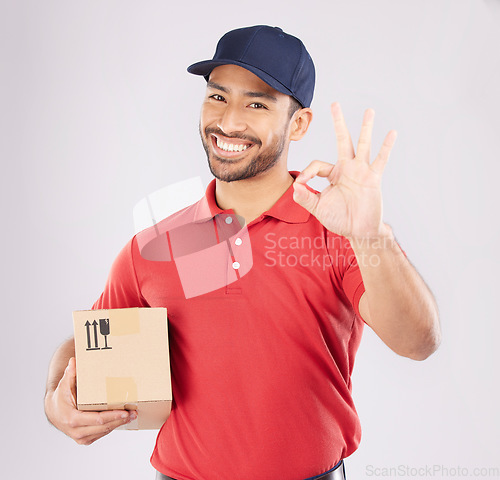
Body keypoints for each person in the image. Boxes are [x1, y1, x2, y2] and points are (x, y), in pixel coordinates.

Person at [44, 25, 441, 480]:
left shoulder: (342, 232)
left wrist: (371, 236)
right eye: (218, 97)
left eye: (257, 103)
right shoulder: (154, 248)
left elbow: (418, 342)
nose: (229, 122)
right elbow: (88, 342)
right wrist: (56, 396)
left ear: (298, 123)